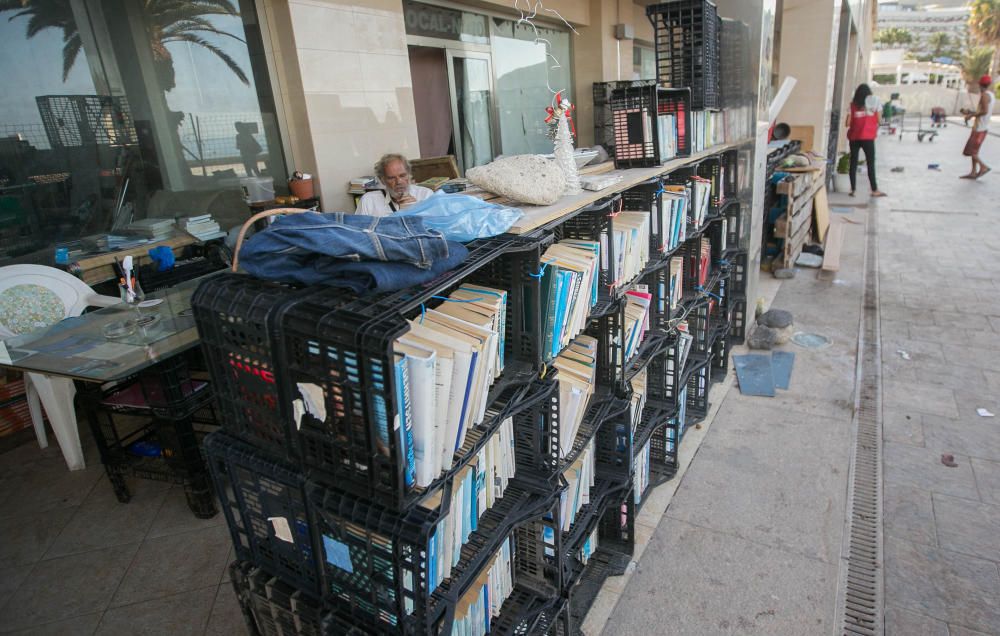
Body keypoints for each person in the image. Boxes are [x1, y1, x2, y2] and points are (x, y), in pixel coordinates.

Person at [845, 84, 887, 198]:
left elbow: (847, 123)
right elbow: (879, 120)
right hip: (868, 137)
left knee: (853, 163)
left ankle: (853, 189)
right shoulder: (875, 103)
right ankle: (874, 189)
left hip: (854, 137)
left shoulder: (852, 105)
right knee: (870, 163)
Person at [357, 153, 433, 216]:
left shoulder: (426, 195)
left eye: (402, 176)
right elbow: (357, 231)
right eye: (391, 178)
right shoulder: (369, 201)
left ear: (409, 175)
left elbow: (436, 230)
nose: (399, 182)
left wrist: (416, 210)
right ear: (382, 180)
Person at [960, 75, 995, 179]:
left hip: (979, 128)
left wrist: (971, 115)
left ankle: (983, 167)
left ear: (980, 84)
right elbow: (983, 110)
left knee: (970, 151)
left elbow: (984, 111)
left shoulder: (984, 95)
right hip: (983, 127)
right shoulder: (990, 95)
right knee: (974, 152)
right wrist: (970, 112)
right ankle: (973, 172)